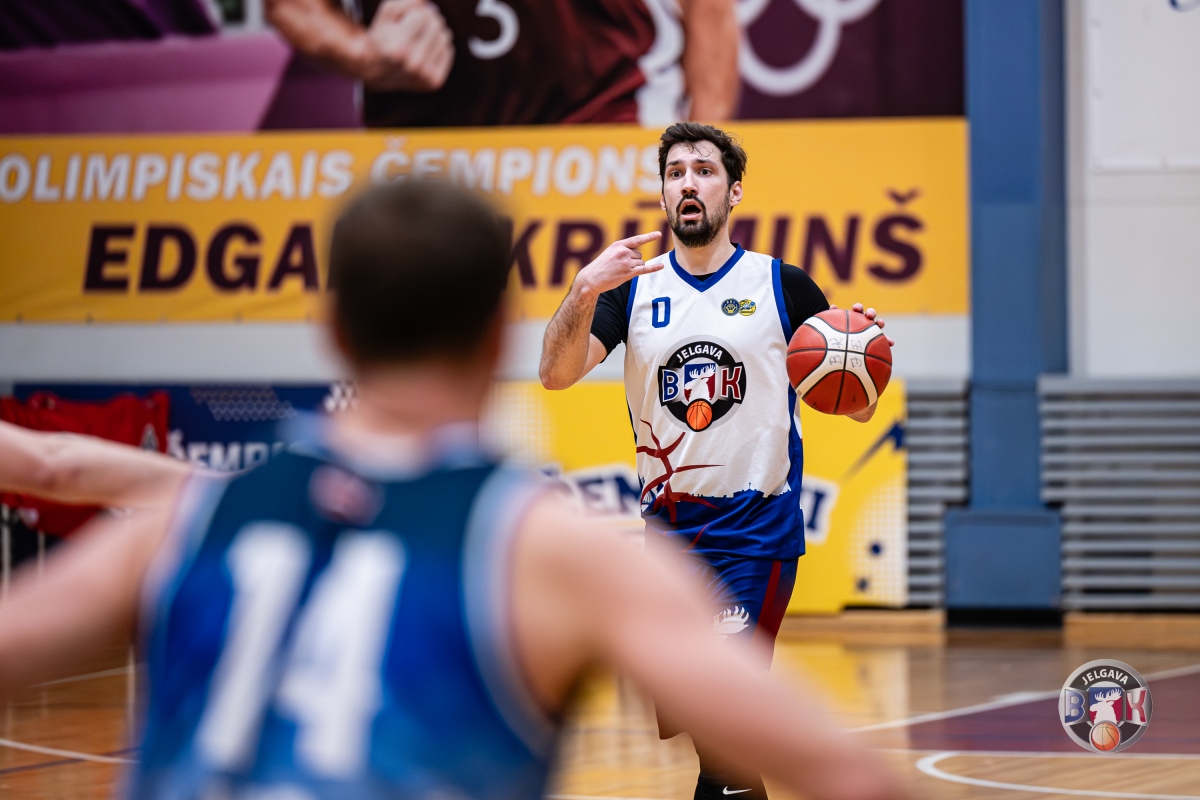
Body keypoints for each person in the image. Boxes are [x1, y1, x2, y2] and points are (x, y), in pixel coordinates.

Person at [0, 180, 902, 800]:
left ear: (333, 330)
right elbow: (852, 777)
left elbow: (54, 475)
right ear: (496, 334)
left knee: (721, 760)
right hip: (671, 532)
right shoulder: (547, 550)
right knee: (727, 746)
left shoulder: (191, 515)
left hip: (750, 527)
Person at [539, 122, 895, 800]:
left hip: (755, 529)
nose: (688, 183)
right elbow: (556, 375)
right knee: (714, 739)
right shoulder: (631, 291)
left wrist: (861, 361)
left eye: (703, 171)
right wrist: (583, 289)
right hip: (668, 536)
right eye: (675, 173)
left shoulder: (782, 284)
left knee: (723, 727)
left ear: (733, 192)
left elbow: (857, 411)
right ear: (663, 195)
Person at [263, 0, 739, 127]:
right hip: (426, 152)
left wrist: (701, 158)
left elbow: (708, 7)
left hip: (605, 131)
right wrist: (362, 53)